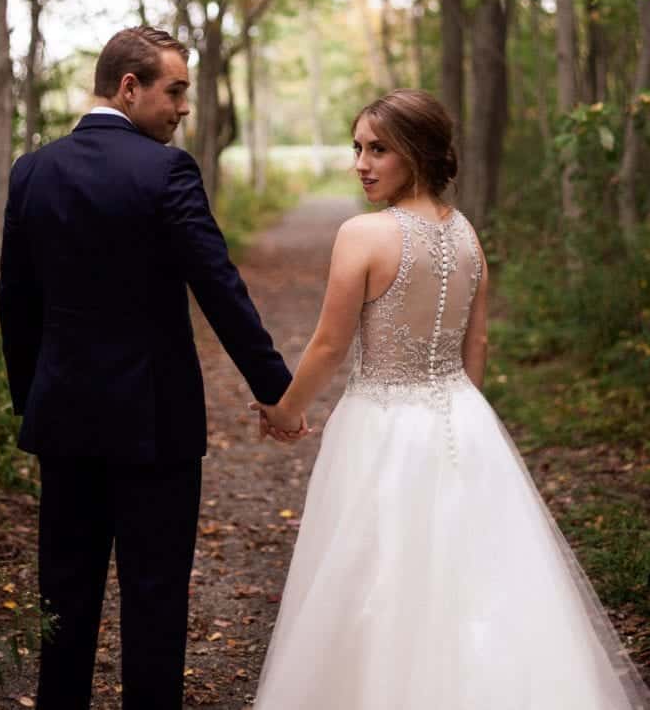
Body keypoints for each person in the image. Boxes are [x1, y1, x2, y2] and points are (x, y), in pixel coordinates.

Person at [252, 88, 650, 709]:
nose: (362, 162)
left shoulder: (362, 234)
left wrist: (285, 410)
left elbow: (330, 347)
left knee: (379, 575)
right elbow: (477, 341)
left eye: (378, 149)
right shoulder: (466, 234)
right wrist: (463, 420)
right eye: (357, 147)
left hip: (381, 423)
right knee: (472, 576)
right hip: (462, 420)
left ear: (417, 152)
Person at [0, 25, 305, 710]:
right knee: (155, 595)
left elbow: (15, 303)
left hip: (64, 422)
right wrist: (276, 392)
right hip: (154, 424)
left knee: (64, 596)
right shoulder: (166, 171)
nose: (184, 107)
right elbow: (219, 289)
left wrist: (33, 400)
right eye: (175, 91)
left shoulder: (32, 170)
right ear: (129, 87)